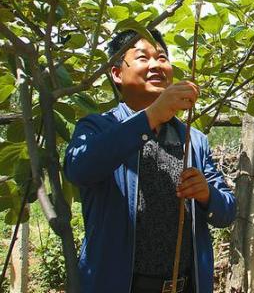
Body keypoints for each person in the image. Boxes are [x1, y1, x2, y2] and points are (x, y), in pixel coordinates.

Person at [64, 29, 236, 293]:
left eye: (163, 57)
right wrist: (151, 115)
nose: (156, 64)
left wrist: (207, 195)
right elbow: (80, 169)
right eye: (142, 58)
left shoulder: (195, 140)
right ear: (117, 73)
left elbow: (226, 212)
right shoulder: (96, 128)